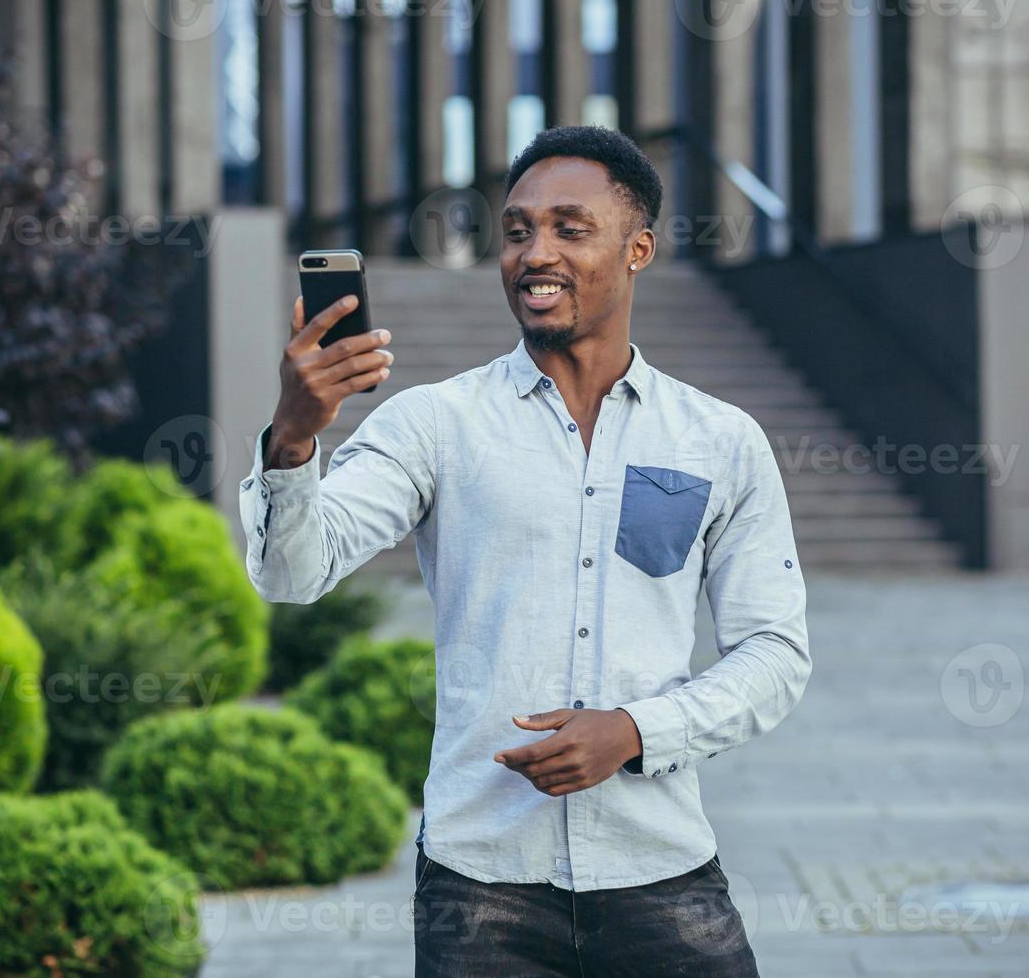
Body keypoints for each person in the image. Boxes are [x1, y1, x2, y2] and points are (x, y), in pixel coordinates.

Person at [239, 125, 810, 977]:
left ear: (639, 248)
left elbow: (775, 653)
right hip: (482, 890)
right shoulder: (435, 424)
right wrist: (291, 439)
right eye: (516, 231)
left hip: (661, 871)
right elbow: (292, 572)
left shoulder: (720, 441)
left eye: (569, 229)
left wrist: (635, 731)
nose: (534, 253)